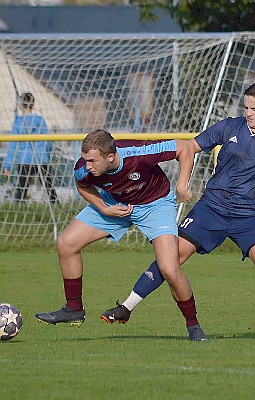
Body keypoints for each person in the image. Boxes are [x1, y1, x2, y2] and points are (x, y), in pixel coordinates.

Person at [101, 81, 255, 342]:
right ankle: (126, 308)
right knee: (172, 259)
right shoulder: (229, 126)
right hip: (212, 207)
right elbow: (189, 148)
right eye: (246, 107)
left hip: (249, 213)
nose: (249, 113)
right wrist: (180, 182)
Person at [35, 129, 208, 341]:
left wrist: (182, 186)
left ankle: (193, 326)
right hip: (113, 202)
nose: (87, 165)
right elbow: (82, 185)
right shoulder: (83, 168)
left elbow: (185, 147)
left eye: (92, 161)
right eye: (85, 160)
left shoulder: (139, 152)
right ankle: (74, 309)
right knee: (66, 244)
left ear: (110, 157)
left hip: (155, 205)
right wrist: (104, 208)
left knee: (170, 269)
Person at [3, 92, 58, 203]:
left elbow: (12, 145)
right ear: (33, 104)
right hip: (41, 158)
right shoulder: (40, 120)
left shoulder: (18, 122)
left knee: (22, 189)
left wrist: (7, 165)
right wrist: (47, 155)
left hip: (25, 159)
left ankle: (19, 207)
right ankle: (55, 206)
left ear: (20, 105)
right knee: (49, 187)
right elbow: (47, 141)